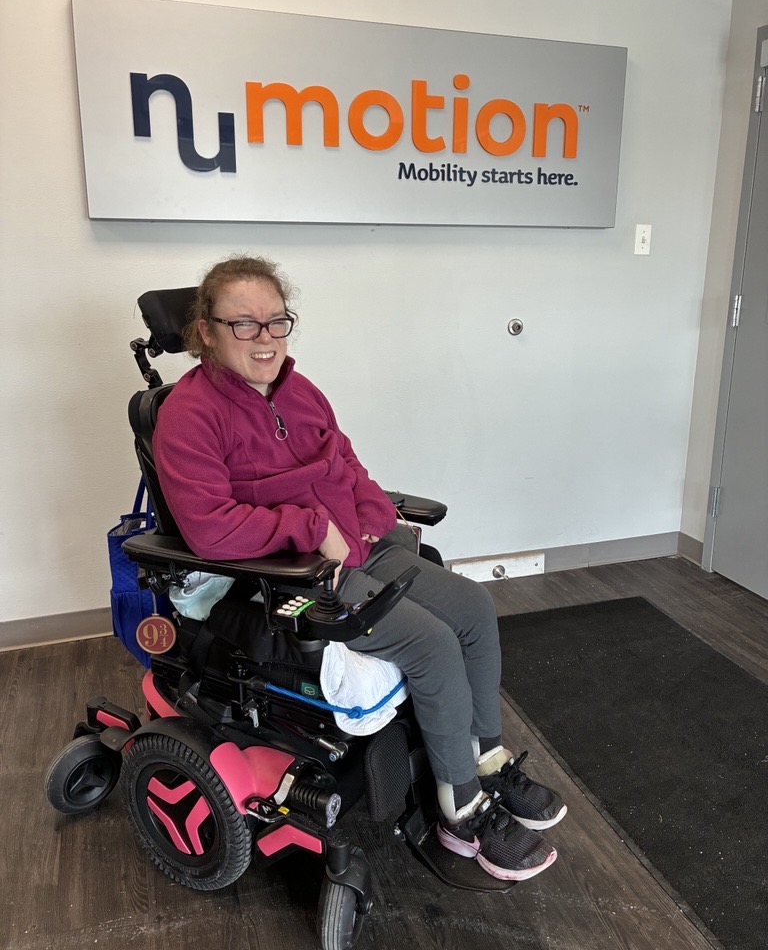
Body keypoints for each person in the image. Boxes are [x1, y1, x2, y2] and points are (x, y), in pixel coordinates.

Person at [153, 255, 567, 883]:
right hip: (290, 576)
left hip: (356, 550)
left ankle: (485, 760)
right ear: (206, 331)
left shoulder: (300, 391)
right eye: (243, 324)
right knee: (431, 644)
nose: (265, 337)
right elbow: (208, 526)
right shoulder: (190, 413)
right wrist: (309, 528)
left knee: (475, 608)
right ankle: (460, 813)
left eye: (276, 321)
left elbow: (344, 461)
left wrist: (372, 511)